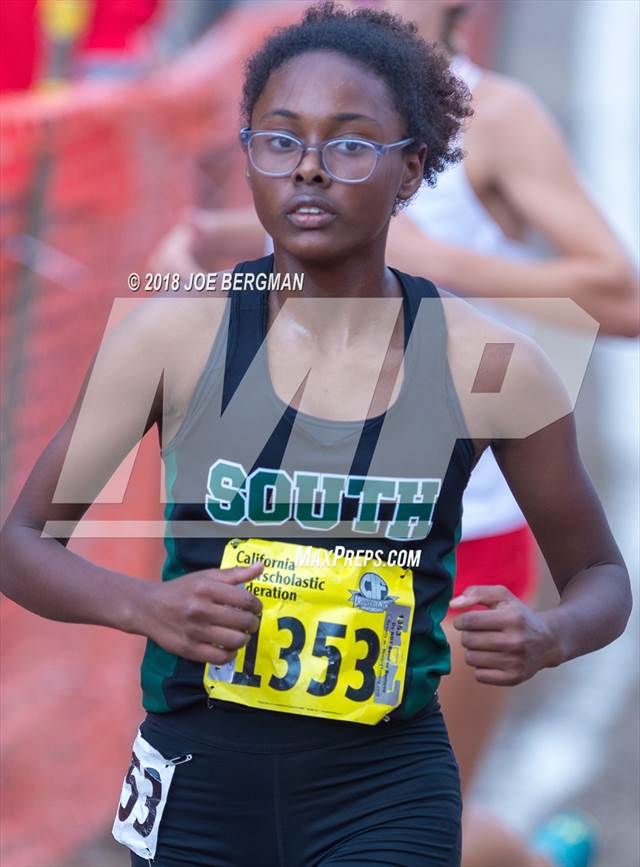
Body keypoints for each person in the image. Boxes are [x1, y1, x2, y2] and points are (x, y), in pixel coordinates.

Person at [0, 3, 631, 866]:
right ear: (249, 157)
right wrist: (145, 605)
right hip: (197, 770)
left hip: (385, 786)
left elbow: (599, 574)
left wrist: (550, 634)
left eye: (349, 145)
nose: (308, 170)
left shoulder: (493, 367)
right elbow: (21, 543)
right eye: (279, 140)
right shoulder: (169, 338)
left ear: (413, 172)